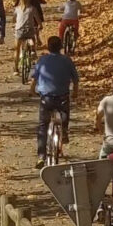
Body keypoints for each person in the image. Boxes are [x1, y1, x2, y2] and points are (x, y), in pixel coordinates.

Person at [27, 34, 79, 168]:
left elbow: (35, 78)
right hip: (62, 96)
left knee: (43, 126)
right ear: (61, 47)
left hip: (46, 98)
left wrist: (32, 90)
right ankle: (65, 131)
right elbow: (75, 79)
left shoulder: (42, 60)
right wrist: (75, 92)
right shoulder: (67, 60)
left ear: (48, 47)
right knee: (65, 111)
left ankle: (41, 156)